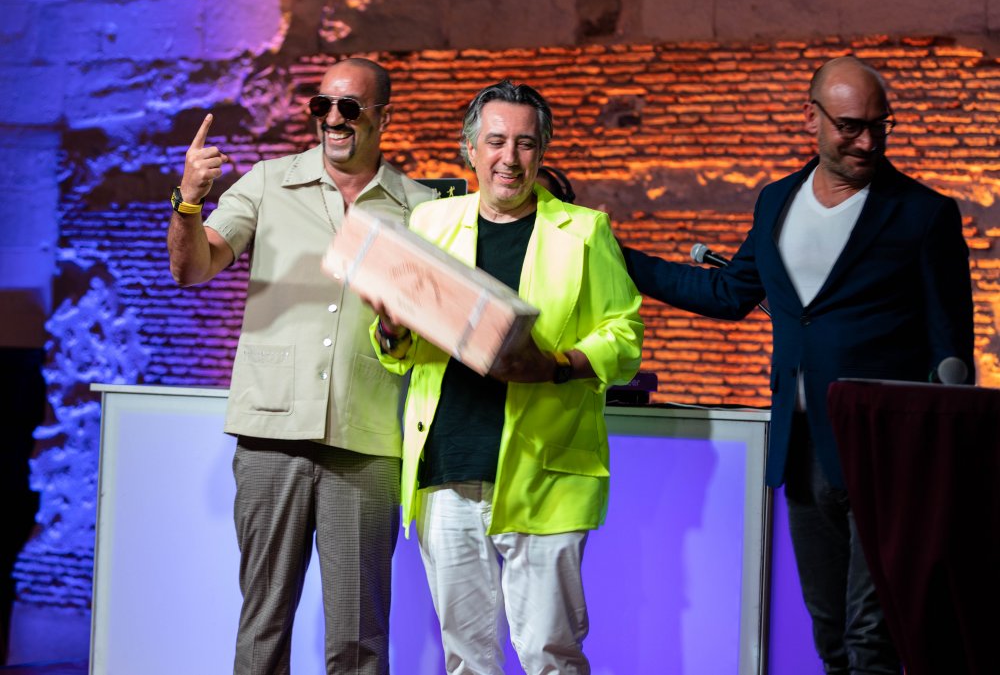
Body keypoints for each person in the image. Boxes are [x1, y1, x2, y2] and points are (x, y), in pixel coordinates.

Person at [622, 55, 975, 674]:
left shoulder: (924, 213)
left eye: (879, 126)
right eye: (850, 126)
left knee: (873, 640)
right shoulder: (777, 201)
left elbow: (952, 351)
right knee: (831, 636)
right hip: (803, 444)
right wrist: (616, 256)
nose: (867, 142)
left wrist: (940, 450)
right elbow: (728, 294)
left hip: (887, 453)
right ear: (811, 118)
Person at [167, 57, 436, 675]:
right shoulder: (268, 182)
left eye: (350, 107)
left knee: (360, 640)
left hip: (367, 442)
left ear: (384, 117)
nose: (333, 118)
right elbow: (192, 268)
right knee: (263, 627)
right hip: (271, 435)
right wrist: (188, 200)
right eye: (323, 105)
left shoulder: (419, 208)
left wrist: (396, 331)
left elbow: (424, 337)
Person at [367, 80, 644, 674]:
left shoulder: (585, 232)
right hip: (447, 466)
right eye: (495, 142)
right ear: (470, 149)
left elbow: (625, 337)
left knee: (549, 654)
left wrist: (558, 365)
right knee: (466, 658)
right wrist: (390, 329)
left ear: (542, 152)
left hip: (546, 473)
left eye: (525, 143)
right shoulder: (430, 222)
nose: (509, 158)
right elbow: (402, 349)